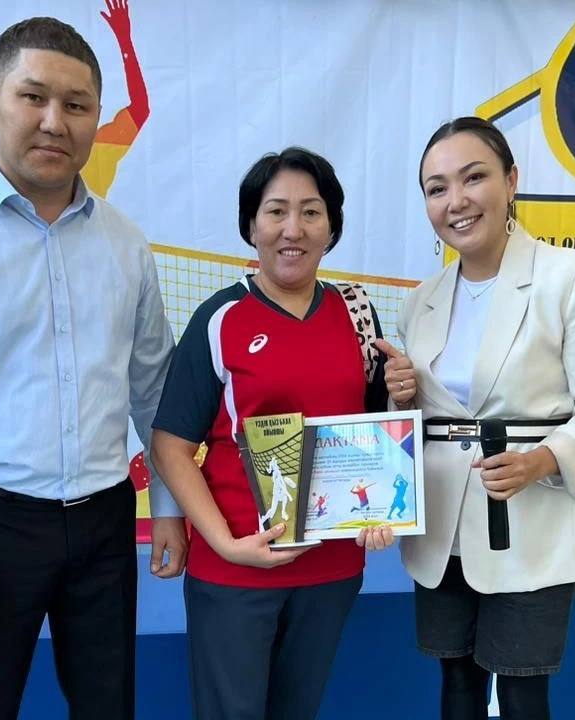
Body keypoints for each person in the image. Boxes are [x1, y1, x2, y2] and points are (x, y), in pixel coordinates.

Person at [0, 17, 187, 720]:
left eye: (76, 104)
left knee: (108, 707)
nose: (55, 122)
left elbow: (154, 393)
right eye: (33, 96)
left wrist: (170, 506)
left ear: (95, 117)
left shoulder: (125, 243)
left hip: (106, 522)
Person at [378, 116, 575, 720]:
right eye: (437, 188)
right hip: (442, 527)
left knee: (520, 690)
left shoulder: (571, 278)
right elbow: (424, 419)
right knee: (456, 684)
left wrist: (541, 460)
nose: (456, 201)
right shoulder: (420, 300)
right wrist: (401, 398)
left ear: (511, 181)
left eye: (474, 178)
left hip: (532, 521)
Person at [150, 146, 395, 720]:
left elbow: (373, 433)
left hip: (332, 570)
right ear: (251, 226)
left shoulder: (357, 313)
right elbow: (170, 446)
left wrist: (382, 508)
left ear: (331, 226)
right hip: (236, 568)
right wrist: (225, 544)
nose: (293, 229)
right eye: (276, 211)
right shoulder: (220, 318)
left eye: (311, 212)